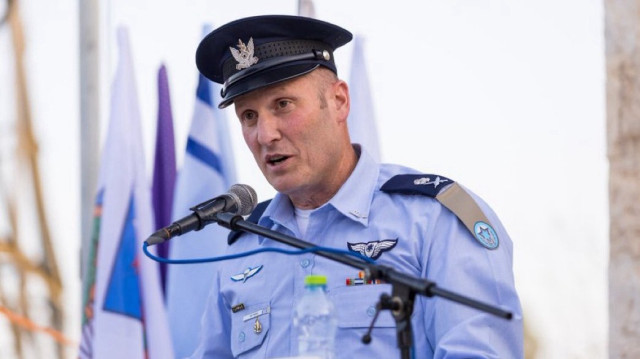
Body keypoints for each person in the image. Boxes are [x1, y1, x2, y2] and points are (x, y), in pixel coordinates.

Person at [189, 14, 523, 358]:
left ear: (339, 102)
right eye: (249, 116)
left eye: (283, 105)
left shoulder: (433, 220)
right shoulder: (243, 246)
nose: (265, 134)